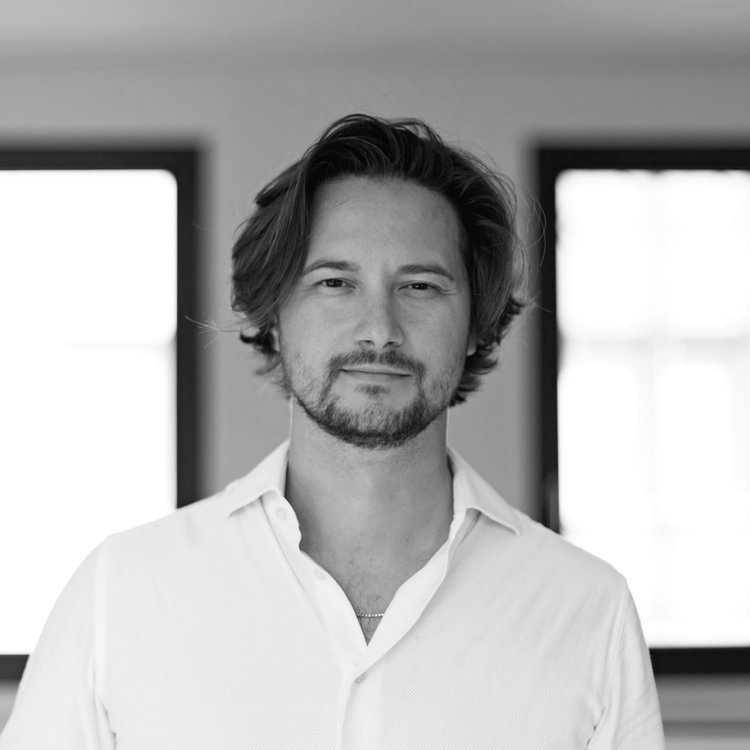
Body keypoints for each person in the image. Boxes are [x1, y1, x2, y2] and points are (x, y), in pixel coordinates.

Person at [0, 114, 664, 749]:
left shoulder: (588, 611)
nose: (379, 330)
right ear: (274, 313)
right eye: (335, 282)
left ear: (476, 324)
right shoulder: (122, 592)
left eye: (421, 287)